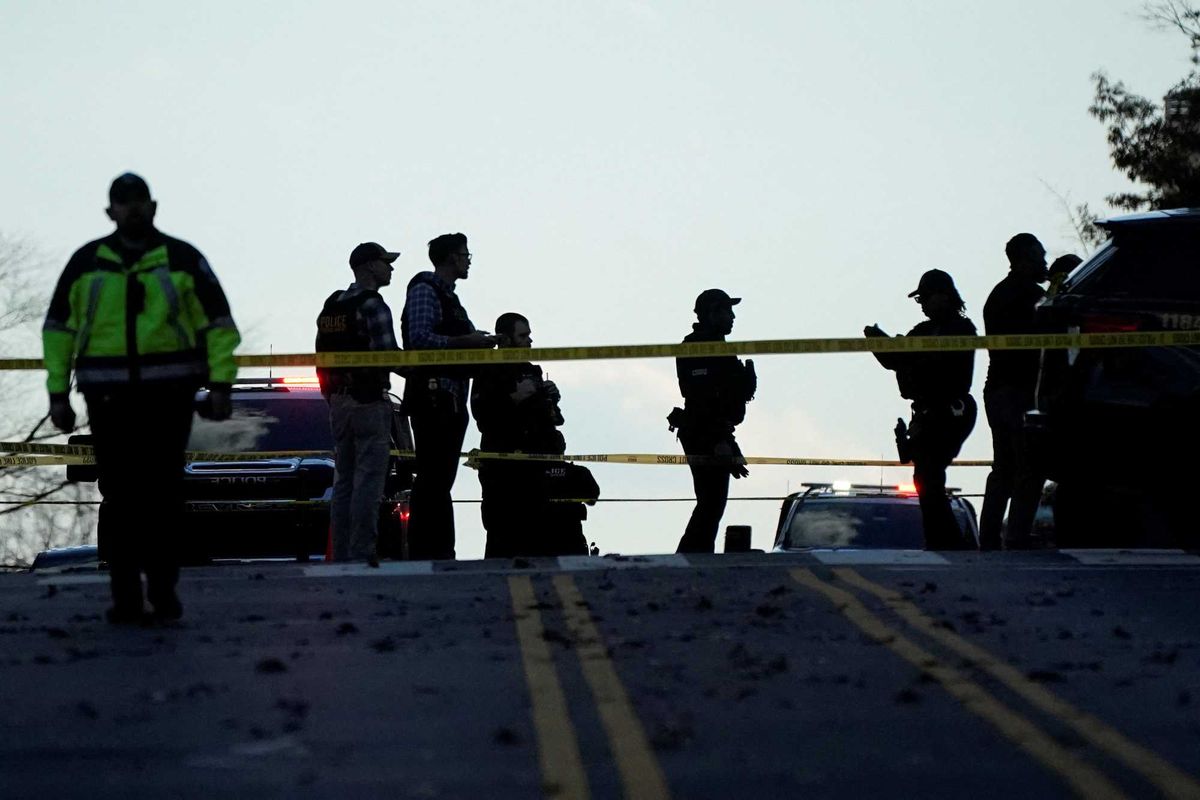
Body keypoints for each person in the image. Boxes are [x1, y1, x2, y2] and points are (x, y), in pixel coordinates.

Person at [42, 173, 240, 623]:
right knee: (122, 492)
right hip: (108, 396)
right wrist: (57, 394)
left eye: (138, 201)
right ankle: (127, 597)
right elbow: (58, 330)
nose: (131, 208)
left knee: (163, 491)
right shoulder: (86, 262)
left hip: (168, 395)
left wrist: (222, 386)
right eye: (122, 202)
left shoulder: (183, 259)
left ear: (153, 206)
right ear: (110, 211)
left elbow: (218, 325)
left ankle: (164, 591)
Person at [400, 233, 497, 560]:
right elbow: (421, 340)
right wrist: (467, 342)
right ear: (450, 257)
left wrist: (477, 343)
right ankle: (428, 551)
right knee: (431, 477)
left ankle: (438, 550)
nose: (468, 259)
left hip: (451, 398)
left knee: (439, 479)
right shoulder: (425, 291)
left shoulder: (448, 298)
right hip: (433, 399)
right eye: (464, 253)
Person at [865, 269, 977, 550]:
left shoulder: (960, 329)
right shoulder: (924, 331)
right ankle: (942, 540)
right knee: (925, 478)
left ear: (944, 295)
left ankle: (947, 541)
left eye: (926, 298)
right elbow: (896, 359)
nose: (923, 306)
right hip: (929, 412)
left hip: (951, 411)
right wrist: (879, 341)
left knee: (929, 475)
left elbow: (935, 366)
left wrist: (908, 359)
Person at [471, 312, 598, 557]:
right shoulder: (489, 370)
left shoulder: (531, 371)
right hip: (506, 473)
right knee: (505, 538)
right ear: (506, 339)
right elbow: (483, 416)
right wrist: (514, 398)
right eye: (523, 336)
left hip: (540, 468)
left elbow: (551, 418)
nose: (530, 341)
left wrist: (549, 397)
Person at [315, 241, 403, 565]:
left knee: (344, 483)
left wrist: (331, 397)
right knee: (368, 483)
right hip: (368, 401)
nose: (390, 268)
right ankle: (362, 553)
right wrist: (425, 367)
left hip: (338, 403)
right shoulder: (373, 304)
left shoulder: (332, 304)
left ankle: (340, 555)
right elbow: (389, 355)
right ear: (368, 266)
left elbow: (320, 357)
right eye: (385, 262)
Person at [670, 289, 756, 554]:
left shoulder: (720, 348)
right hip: (703, 432)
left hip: (714, 431)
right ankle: (691, 557)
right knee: (710, 502)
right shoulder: (696, 347)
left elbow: (721, 398)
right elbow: (702, 399)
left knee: (713, 503)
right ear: (711, 314)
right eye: (726, 311)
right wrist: (720, 441)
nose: (732, 317)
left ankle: (696, 556)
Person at [979, 234, 1049, 550]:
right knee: (1028, 467)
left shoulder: (1001, 294)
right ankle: (1016, 535)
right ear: (1022, 260)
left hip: (1000, 391)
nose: (1044, 264)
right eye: (1039, 258)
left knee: (1004, 468)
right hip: (1016, 392)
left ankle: (991, 538)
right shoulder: (1026, 297)